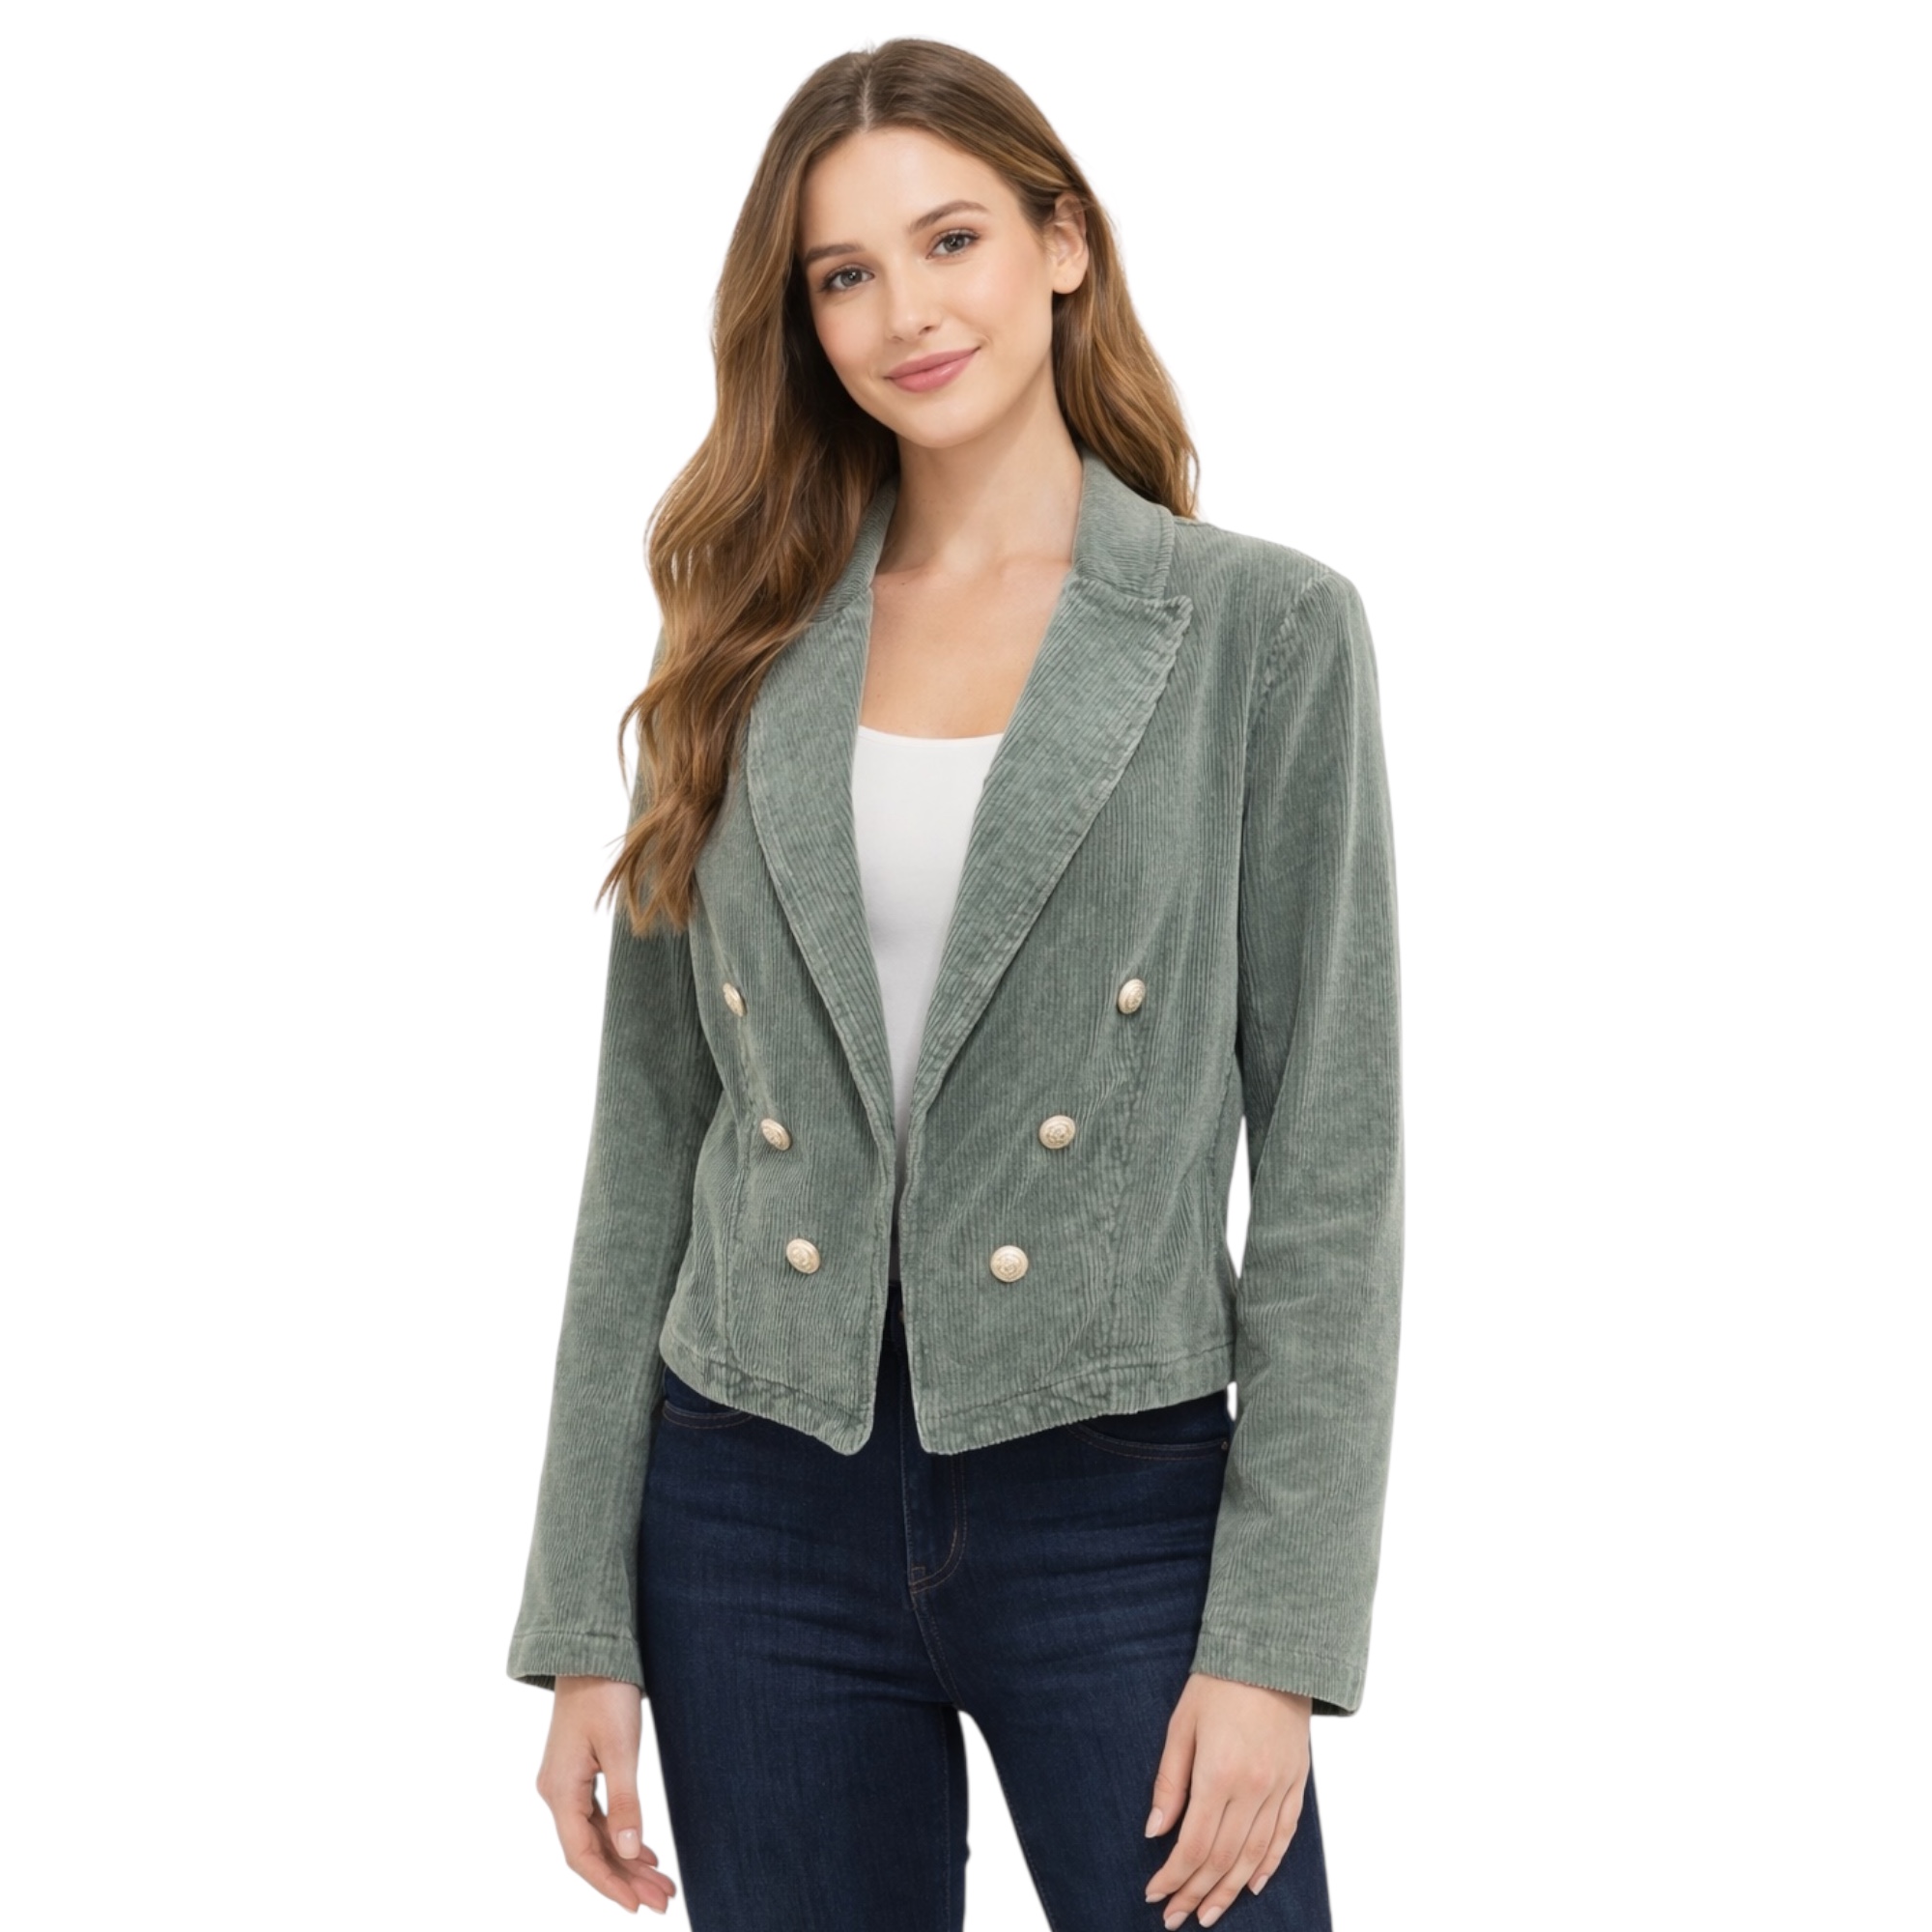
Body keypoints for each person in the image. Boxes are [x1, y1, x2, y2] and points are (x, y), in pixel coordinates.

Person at [507, 37, 1405, 1932]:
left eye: (951, 240)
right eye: (845, 273)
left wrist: (1276, 1642)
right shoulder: (741, 638)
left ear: (1061, 243)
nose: (905, 312)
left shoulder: (1261, 631)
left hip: (1119, 1502)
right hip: (750, 1504)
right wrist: (585, 1615)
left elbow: (1333, 1161)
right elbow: (648, 1143)